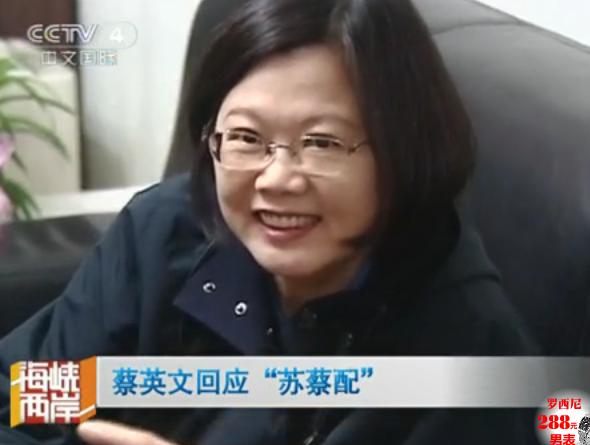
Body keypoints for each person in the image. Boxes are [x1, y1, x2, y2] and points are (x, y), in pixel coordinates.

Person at [0, 0, 538, 443]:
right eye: (246, 138)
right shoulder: (164, 236)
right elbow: (23, 400)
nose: (277, 179)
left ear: (404, 152)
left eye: (322, 143)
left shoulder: (466, 359)